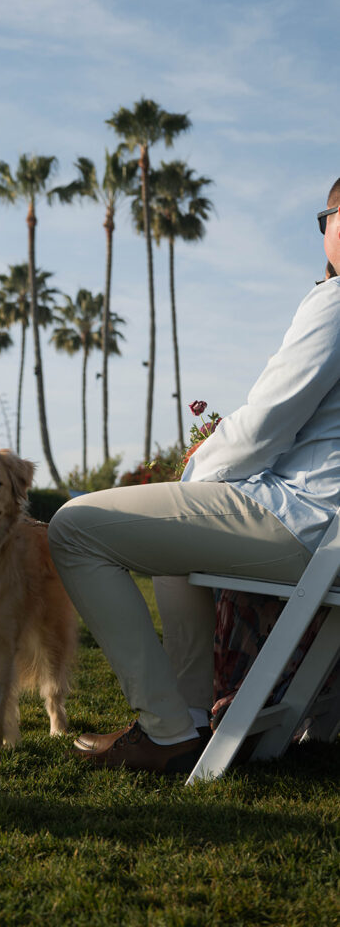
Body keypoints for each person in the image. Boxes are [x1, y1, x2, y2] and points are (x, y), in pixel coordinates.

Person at [48, 178, 340, 773]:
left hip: (308, 521)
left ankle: (164, 729)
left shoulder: (335, 302)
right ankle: (188, 721)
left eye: (329, 215)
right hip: (325, 526)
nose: (327, 230)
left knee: (74, 527)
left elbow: (264, 426)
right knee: (172, 550)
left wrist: (192, 477)